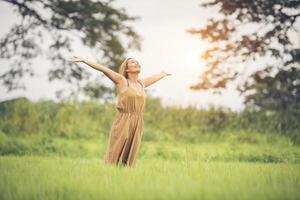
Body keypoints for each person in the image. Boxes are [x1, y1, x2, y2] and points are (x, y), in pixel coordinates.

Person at [69, 56, 172, 167]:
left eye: (138, 62)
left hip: (138, 121)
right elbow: (104, 69)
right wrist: (85, 61)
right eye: (133, 62)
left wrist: (163, 74)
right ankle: (109, 174)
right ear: (126, 69)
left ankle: (125, 175)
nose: (137, 63)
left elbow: (154, 77)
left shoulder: (141, 83)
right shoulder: (122, 81)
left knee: (131, 151)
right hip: (123, 120)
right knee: (116, 150)